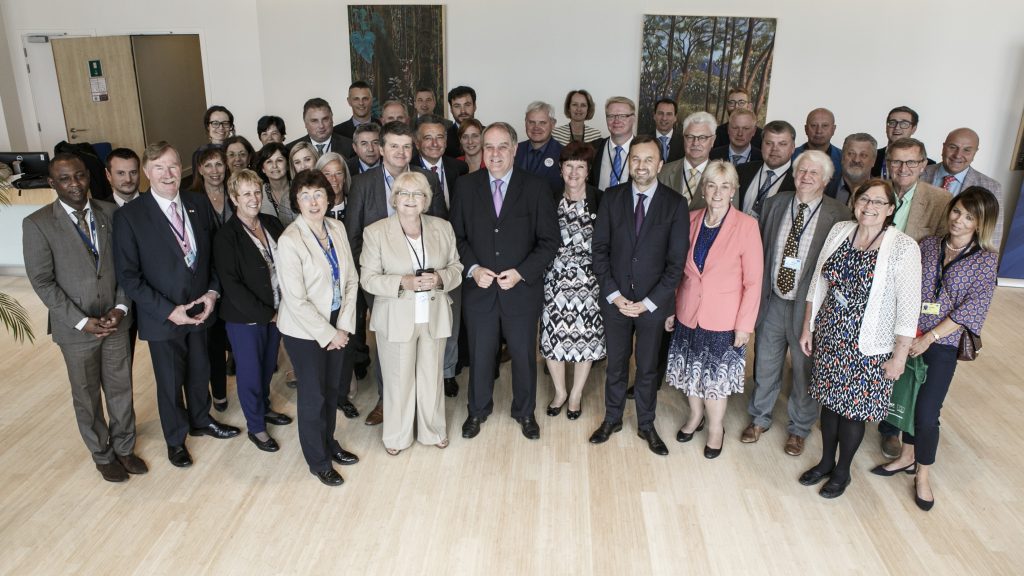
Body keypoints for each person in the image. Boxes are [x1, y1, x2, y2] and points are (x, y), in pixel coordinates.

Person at [113, 142, 241, 469]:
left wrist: (212, 293)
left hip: (200, 310)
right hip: (163, 317)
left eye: (172, 166)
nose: (168, 174)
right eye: (159, 168)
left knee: (200, 372)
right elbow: (129, 277)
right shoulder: (130, 216)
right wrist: (171, 310)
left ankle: (201, 420)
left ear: (181, 167)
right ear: (147, 173)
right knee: (170, 383)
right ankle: (175, 439)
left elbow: (214, 257)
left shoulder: (197, 203)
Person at [872, 187, 999, 511]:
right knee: (908, 398)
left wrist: (929, 338)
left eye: (969, 217)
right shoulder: (928, 245)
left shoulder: (985, 260)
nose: (959, 220)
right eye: (957, 211)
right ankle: (906, 456)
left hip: (941, 344)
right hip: (908, 336)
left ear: (981, 224)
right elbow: (907, 286)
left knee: (928, 413)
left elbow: (973, 308)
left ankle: (923, 474)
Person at [23, 153, 145, 482]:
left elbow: (126, 267)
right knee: (87, 394)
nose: (75, 184)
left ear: (90, 178)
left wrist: (121, 308)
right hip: (76, 330)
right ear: (52, 183)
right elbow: (42, 282)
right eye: (65, 179)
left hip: (115, 321)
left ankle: (124, 447)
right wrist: (80, 321)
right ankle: (102, 454)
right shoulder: (37, 224)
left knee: (121, 388)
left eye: (79, 176)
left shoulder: (112, 213)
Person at [797, 178, 922, 499]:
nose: (869, 206)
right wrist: (808, 326)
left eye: (878, 202)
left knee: (852, 411)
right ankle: (826, 462)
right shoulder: (840, 230)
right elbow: (817, 282)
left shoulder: (904, 247)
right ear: (855, 201)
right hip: (831, 335)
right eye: (864, 199)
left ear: (891, 208)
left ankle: (842, 472)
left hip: (870, 345)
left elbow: (909, 309)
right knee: (829, 402)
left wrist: (899, 356)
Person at [450, 121, 559, 440]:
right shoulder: (466, 187)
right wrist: (472, 268)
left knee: (524, 355)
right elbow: (455, 237)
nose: (495, 154)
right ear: (481, 151)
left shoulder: (536, 187)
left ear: (514, 149)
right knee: (481, 354)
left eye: (501, 147)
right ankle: (477, 411)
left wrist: (522, 272)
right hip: (480, 289)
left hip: (521, 290)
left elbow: (549, 241)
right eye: (489, 147)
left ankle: (525, 412)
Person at [742, 150, 851, 456]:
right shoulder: (775, 204)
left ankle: (799, 428)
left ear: (826, 179)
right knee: (765, 363)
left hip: (808, 308)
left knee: (805, 369)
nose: (805, 177)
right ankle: (759, 418)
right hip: (773, 299)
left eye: (814, 173)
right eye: (802, 170)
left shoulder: (839, 214)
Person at [589, 135, 689, 455]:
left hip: (652, 305)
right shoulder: (611, 197)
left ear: (660, 165)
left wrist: (648, 303)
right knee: (616, 365)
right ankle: (613, 418)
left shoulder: (675, 204)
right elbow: (599, 252)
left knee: (646, 369)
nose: (641, 165)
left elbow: (676, 265)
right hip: (617, 302)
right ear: (628, 162)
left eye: (648, 160)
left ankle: (646, 424)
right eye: (635, 159)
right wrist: (615, 296)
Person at [347, 121, 448, 425]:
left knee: (425, 352)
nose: (401, 152)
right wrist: (371, 284)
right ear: (380, 149)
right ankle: (386, 402)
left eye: (406, 146)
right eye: (393, 146)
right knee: (390, 351)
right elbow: (354, 236)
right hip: (384, 285)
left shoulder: (427, 178)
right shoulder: (363, 184)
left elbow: (440, 228)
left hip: (426, 287)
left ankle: (423, 410)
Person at [360, 171, 463, 454]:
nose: (410, 199)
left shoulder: (442, 227)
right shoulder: (376, 232)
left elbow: (457, 268)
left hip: (434, 314)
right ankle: (397, 437)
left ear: (426, 200)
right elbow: (367, 279)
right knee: (398, 380)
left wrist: (441, 277)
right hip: (396, 317)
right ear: (394, 198)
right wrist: (402, 282)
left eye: (417, 194)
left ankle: (432, 431)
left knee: (432, 378)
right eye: (403, 193)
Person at [666, 160, 762, 459]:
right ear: (703, 189)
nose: (717, 192)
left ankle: (716, 428)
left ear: (733, 190)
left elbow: (754, 282)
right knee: (690, 374)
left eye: (724, 186)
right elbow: (677, 272)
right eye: (711, 185)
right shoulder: (691, 219)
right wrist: (671, 308)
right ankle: (695, 417)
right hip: (687, 313)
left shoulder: (747, 226)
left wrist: (745, 325)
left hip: (723, 319)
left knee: (714, 381)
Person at [276, 169, 360, 486]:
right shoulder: (290, 241)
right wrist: (329, 334)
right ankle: (318, 459)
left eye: (319, 194)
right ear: (297, 201)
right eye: (306, 196)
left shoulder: (336, 227)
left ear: (329, 197)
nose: (313, 202)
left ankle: (329, 442)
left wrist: (345, 324)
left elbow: (351, 279)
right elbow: (296, 301)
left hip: (338, 321)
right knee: (313, 397)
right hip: (304, 333)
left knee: (332, 391)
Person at [213, 169, 292, 453]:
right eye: (246, 193)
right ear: (234, 198)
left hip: (277, 311)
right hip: (246, 318)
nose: (254, 198)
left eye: (257, 192)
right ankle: (256, 427)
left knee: (268, 365)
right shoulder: (226, 236)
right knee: (249, 372)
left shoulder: (271, 222)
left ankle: (265, 408)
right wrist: (268, 314)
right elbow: (232, 286)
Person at [541, 142, 605, 420]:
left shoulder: (601, 200)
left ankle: (576, 393)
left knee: (586, 340)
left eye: (581, 166)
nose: (575, 172)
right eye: (569, 165)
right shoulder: (547, 199)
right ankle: (560, 392)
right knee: (553, 337)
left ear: (588, 171)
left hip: (590, 283)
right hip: (554, 281)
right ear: (560, 169)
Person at [316, 151, 365, 416]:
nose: (333, 179)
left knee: (348, 338)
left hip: (352, 282)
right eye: (327, 173)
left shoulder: (354, 200)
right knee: (325, 338)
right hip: (323, 289)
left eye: (338, 173)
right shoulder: (315, 207)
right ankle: (325, 391)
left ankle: (342, 394)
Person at [190, 147, 232, 410]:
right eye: (209, 165)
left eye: (219, 164)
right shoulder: (191, 199)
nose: (215, 171)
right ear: (200, 169)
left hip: (235, 275)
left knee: (235, 337)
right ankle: (218, 392)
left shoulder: (235, 193)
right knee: (213, 340)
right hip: (207, 279)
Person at [921, 128, 1005, 248]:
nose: (958, 155)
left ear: (975, 152)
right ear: (943, 147)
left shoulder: (991, 187)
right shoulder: (918, 174)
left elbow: (993, 237)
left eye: (967, 150)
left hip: (961, 261)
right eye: (953, 147)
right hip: (914, 253)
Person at [736, 120, 797, 219]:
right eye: (769, 143)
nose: (774, 149)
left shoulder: (799, 181)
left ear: (793, 148)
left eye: (782, 144)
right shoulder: (741, 171)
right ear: (761, 145)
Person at [658, 111, 717, 210]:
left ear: (713, 140)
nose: (695, 143)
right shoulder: (662, 172)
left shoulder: (724, 178)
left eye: (702, 138)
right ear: (683, 138)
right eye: (690, 137)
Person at [415, 114, 469, 211]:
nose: (434, 144)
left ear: (446, 141)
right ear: (417, 143)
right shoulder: (408, 170)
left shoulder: (461, 168)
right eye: (428, 138)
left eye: (439, 137)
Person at [871, 106, 935, 178]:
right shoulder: (871, 157)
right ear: (886, 127)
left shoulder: (929, 165)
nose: (897, 127)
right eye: (892, 123)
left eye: (904, 123)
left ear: (913, 129)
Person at [515, 101, 564, 193]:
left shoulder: (563, 154)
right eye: (531, 122)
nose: (536, 127)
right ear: (525, 123)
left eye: (542, 123)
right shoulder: (514, 150)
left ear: (553, 124)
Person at [589, 96, 636, 190]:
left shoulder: (645, 150)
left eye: (623, 116)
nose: (616, 121)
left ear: (633, 118)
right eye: (611, 116)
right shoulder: (593, 148)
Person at [791, 108, 842, 194]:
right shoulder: (791, 156)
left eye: (825, 126)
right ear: (806, 129)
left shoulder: (843, 159)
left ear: (833, 129)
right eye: (814, 125)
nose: (819, 131)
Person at [288, 97, 354, 159]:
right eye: (314, 121)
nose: (321, 126)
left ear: (332, 119)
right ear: (305, 123)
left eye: (325, 119)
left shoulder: (350, 146)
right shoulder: (290, 149)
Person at [256, 142, 295, 226]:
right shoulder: (258, 193)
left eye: (279, 160)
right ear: (263, 168)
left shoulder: (299, 188)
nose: (274, 166)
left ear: (288, 165)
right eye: (269, 162)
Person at [191, 105, 233, 180]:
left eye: (225, 123)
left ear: (230, 126)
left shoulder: (236, 149)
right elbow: (198, 182)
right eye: (215, 123)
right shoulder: (200, 153)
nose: (221, 128)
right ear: (208, 126)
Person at [834, 133, 877, 205]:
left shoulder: (883, 191)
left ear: (873, 161)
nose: (856, 160)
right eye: (851, 153)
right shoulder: (824, 187)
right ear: (842, 157)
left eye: (863, 155)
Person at [445, 86, 478, 158]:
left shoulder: (487, 134)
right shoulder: (444, 138)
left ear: (475, 106)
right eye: (457, 106)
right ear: (451, 109)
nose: (463, 111)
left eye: (467, 105)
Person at [651, 98, 684, 163]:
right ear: (654, 116)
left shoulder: (684, 142)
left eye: (669, 114)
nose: (664, 118)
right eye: (660, 113)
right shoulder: (643, 141)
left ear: (675, 117)